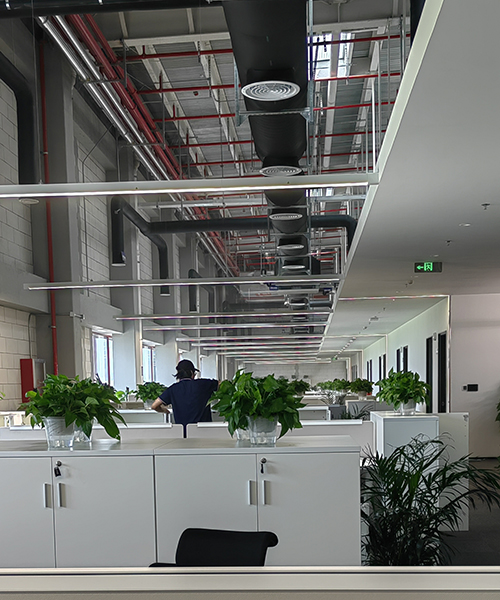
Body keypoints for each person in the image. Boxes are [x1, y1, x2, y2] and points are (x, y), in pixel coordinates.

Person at [151, 359, 218, 434]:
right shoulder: (203, 384)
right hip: (205, 431)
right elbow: (222, 385)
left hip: (183, 433)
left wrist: (165, 410)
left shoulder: (173, 389)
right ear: (192, 373)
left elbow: (154, 406)